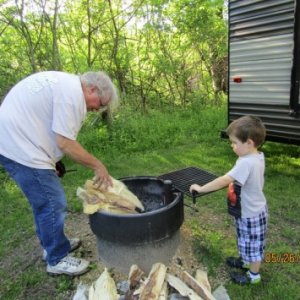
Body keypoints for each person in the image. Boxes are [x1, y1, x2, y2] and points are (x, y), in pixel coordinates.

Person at [0, 70, 119, 276]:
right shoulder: (72, 96)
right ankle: (57, 259)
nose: (97, 109)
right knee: (52, 202)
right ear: (92, 89)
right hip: (21, 148)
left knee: (44, 202)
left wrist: (54, 160)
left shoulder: (66, 86)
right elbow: (65, 143)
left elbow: (49, 128)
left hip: (15, 143)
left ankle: (52, 246)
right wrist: (98, 165)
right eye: (100, 103)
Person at [190, 115, 268, 285]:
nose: (232, 146)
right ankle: (246, 262)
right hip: (250, 209)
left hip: (251, 213)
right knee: (246, 240)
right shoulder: (256, 156)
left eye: (234, 143)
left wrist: (201, 188)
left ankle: (253, 276)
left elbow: (225, 180)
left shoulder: (246, 163)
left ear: (249, 142)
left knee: (254, 246)